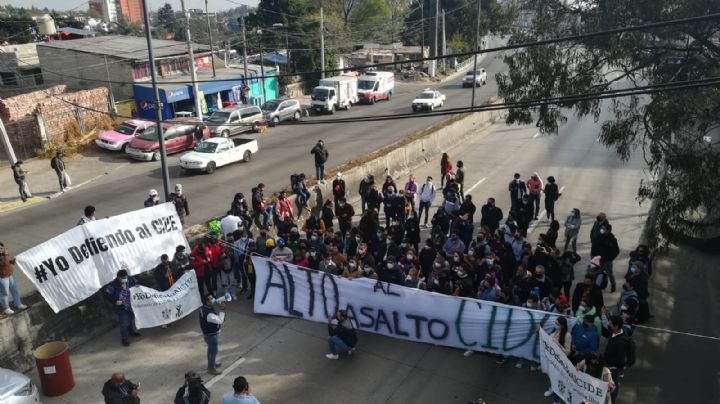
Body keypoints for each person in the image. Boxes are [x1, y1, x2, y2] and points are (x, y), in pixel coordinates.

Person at [104, 270, 141, 346]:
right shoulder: (113, 285)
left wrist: (137, 286)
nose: (125, 278)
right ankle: (124, 338)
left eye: (126, 277)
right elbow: (106, 295)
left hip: (131, 304)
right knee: (124, 323)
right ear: (118, 277)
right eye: (123, 278)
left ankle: (131, 332)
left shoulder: (130, 279)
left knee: (130, 319)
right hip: (121, 306)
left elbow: (137, 282)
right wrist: (115, 301)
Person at [604, 315, 632, 402]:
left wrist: (605, 361)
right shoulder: (614, 332)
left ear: (616, 326)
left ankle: (612, 400)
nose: (608, 325)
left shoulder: (621, 342)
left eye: (610, 324)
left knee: (613, 386)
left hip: (613, 368)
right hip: (609, 365)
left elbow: (619, 360)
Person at [543, 316, 571, 400]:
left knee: (558, 378)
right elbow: (547, 338)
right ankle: (552, 389)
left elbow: (567, 352)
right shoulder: (556, 331)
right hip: (551, 359)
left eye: (557, 324)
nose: (555, 325)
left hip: (559, 361)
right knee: (551, 375)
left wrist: (558, 344)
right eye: (555, 323)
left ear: (562, 325)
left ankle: (557, 396)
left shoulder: (567, 335)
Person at [199, 293, 226, 375]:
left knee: (210, 350)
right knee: (214, 351)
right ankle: (211, 368)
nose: (214, 299)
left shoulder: (203, 308)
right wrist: (222, 310)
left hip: (207, 334)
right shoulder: (209, 314)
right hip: (212, 335)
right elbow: (220, 320)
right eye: (211, 299)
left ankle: (211, 364)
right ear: (207, 302)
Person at [591, 223, 620, 292]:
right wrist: (593, 256)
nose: (602, 230)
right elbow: (594, 247)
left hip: (607, 261)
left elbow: (616, 250)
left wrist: (610, 259)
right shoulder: (598, 237)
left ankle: (613, 284)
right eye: (602, 228)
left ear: (608, 230)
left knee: (610, 274)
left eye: (604, 229)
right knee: (597, 273)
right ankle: (597, 287)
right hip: (598, 260)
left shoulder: (612, 239)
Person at [0, 243, 27, 315]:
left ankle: (18, 304)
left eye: (1, 248)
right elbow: (4, 263)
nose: (0, 250)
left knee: (14, 290)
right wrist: (6, 255)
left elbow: (7, 262)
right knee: (4, 293)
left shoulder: (4, 254)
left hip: (10, 274)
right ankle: (6, 308)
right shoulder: (4, 255)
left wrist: (12, 261)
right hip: (2, 277)